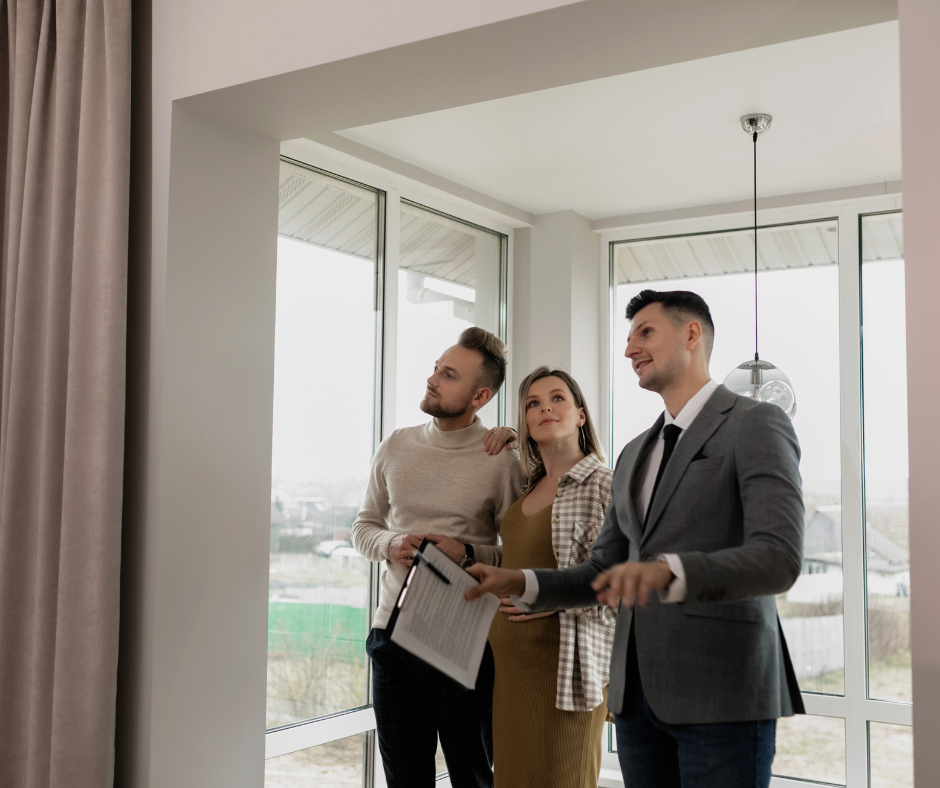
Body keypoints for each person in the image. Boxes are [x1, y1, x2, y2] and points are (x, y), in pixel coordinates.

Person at [467, 290, 805, 788]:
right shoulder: (634, 453)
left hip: (722, 692)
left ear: (692, 334)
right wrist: (517, 578)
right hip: (637, 701)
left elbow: (778, 558)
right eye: (627, 338)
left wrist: (669, 571)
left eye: (645, 333)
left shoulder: (756, 424)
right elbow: (601, 571)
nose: (629, 349)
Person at [351, 327, 524, 788]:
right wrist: (392, 544)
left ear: (479, 395)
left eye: (448, 375)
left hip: (462, 641)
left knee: (472, 776)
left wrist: (467, 552)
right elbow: (363, 526)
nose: (432, 379)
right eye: (435, 368)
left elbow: (520, 554)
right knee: (405, 779)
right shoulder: (396, 445)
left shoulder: (501, 458)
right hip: (391, 636)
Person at [488, 367, 615, 788]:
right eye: (532, 403)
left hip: (565, 672)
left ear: (581, 415)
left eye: (558, 398)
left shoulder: (603, 486)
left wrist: (551, 600)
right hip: (510, 673)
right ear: (525, 423)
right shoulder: (527, 487)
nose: (545, 407)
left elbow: (619, 584)